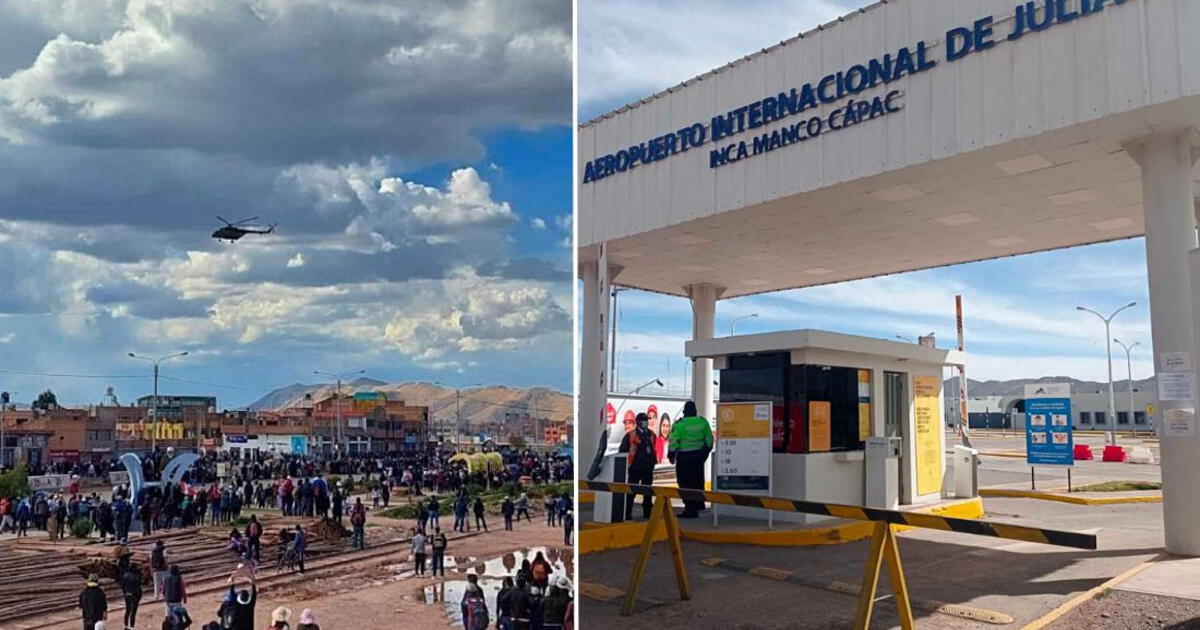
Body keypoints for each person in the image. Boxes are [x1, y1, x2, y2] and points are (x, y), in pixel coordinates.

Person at [669, 400, 713, 518]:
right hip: (698, 458)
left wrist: (671, 456)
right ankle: (699, 504)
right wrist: (703, 455)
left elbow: (673, 442)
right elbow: (709, 441)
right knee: (697, 481)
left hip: (684, 458)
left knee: (684, 483)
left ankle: (689, 509)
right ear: (695, 411)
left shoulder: (680, 424)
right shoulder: (703, 423)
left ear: (684, 411)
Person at [619, 412, 659, 520]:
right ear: (638, 422)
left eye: (646, 420)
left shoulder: (651, 435)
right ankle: (627, 513)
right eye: (643, 420)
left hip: (647, 467)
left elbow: (653, 449)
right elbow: (622, 451)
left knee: (647, 492)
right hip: (635, 467)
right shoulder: (630, 435)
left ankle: (647, 512)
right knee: (632, 492)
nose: (645, 422)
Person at [219, 564, 256, 630]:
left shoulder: (236, 606)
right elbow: (254, 595)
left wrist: (232, 583)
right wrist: (253, 584)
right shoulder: (250, 606)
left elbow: (232, 595)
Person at [120, 563, 143, 630]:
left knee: (127, 610)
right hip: (135, 595)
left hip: (127, 594)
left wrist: (125, 593)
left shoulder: (125, 575)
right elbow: (138, 588)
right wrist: (139, 596)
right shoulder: (137, 577)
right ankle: (132, 626)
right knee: (133, 611)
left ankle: (126, 625)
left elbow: (123, 586)